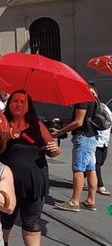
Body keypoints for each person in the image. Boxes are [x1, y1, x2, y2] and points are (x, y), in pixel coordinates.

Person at [0, 91, 60, 246]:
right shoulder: (1, 123)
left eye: (23, 102)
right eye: (15, 101)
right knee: (6, 218)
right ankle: (3, 242)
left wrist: (55, 149)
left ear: (28, 106)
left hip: (34, 181)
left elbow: (53, 152)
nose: (18, 104)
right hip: (7, 181)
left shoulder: (37, 124)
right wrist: (4, 138)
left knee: (31, 222)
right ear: (9, 103)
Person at [52, 82, 98, 211]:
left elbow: (78, 122)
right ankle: (90, 199)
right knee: (90, 169)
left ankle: (74, 201)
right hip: (92, 137)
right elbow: (81, 118)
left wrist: (60, 132)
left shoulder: (83, 99)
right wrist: (63, 120)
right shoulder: (93, 98)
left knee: (78, 169)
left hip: (83, 137)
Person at [95, 122, 110, 196]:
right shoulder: (96, 110)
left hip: (105, 140)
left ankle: (82, 176)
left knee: (101, 162)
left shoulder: (109, 110)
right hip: (96, 139)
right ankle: (100, 186)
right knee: (96, 164)